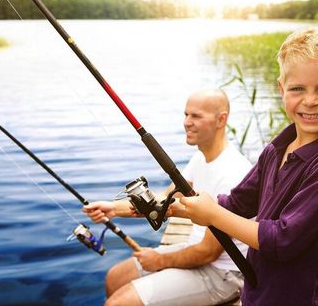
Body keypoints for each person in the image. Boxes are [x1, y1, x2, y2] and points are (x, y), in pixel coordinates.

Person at [179, 26, 318, 306]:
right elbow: (238, 202)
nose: (310, 100)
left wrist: (213, 215)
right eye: (297, 88)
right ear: (281, 89)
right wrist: (179, 206)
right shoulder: (277, 147)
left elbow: (281, 240)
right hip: (260, 291)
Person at [83, 88, 253, 306]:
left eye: (196, 116)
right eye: (186, 115)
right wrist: (113, 209)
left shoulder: (232, 173)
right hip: (196, 252)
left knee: (117, 304)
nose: (187, 122)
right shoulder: (201, 158)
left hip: (224, 274)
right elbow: (162, 203)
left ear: (221, 119)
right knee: (116, 277)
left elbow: (208, 252)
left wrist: (160, 260)